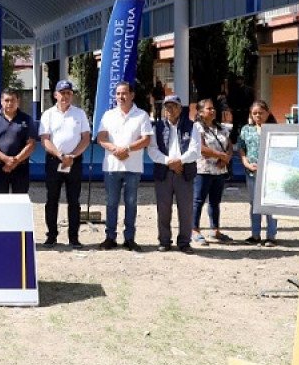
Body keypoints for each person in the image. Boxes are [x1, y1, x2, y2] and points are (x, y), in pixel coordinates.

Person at [96, 81, 154, 252]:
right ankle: (110, 237)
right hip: (112, 165)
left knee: (131, 203)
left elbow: (146, 139)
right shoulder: (108, 115)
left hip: (133, 166)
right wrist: (114, 149)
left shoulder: (141, 115)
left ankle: (129, 238)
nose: (121, 97)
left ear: (132, 95)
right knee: (111, 202)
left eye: (124, 93)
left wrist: (127, 148)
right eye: (118, 94)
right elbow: (101, 137)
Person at [38, 80, 91, 248]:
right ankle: (51, 235)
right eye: (62, 93)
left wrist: (72, 155)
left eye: (69, 93)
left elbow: (86, 138)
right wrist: (60, 155)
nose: (65, 96)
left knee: (74, 200)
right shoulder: (48, 114)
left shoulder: (79, 114)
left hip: (74, 162)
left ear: (72, 95)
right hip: (54, 161)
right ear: (55, 95)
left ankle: (73, 237)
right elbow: (45, 140)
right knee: (52, 199)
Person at [147, 95, 201, 254]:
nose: (169, 110)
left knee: (185, 210)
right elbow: (152, 150)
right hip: (163, 172)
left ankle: (184, 242)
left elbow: (195, 150)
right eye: (167, 107)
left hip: (184, 172)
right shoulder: (157, 127)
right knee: (163, 209)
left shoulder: (193, 127)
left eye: (173, 106)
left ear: (180, 109)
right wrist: (169, 162)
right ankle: (164, 241)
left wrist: (179, 162)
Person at [191, 98, 234, 245]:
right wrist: (221, 156)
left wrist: (226, 158)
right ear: (201, 112)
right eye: (209, 109)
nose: (213, 110)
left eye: (213, 108)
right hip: (203, 170)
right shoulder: (197, 127)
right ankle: (194, 229)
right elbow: (201, 148)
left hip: (220, 170)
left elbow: (229, 144)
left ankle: (215, 229)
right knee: (198, 200)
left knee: (215, 202)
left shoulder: (221, 128)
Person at [0, 88, 36, 194]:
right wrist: (6, 159)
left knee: (20, 201)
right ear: (1, 101)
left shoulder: (27, 119)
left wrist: (15, 161)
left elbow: (31, 144)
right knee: (0, 203)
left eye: (13, 100)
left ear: (18, 101)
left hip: (21, 167)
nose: (10, 103)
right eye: (7, 100)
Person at [239, 100, 277, 246]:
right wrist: (246, 163)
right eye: (254, 113)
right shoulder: (246, 130)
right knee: (254, 204)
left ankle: (271, 235)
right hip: (252, 173)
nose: (258, 116)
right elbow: (241, 148)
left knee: (270, 204)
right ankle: (255, 235)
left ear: (267, 113)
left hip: (270, 173)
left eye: (260, 113)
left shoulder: (274, 129)